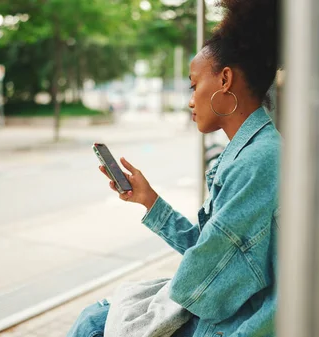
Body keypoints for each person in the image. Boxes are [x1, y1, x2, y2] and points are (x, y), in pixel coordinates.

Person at [67, 0, 280, 336]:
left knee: (94, 324)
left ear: (225, 79)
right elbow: (213, 257)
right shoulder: (253, 152)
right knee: (96, 317)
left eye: (194, 85)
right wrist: (150, 202)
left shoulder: (257, 162)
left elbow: (205, 280)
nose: (191, 100)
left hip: (229, 324)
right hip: (227, 314)